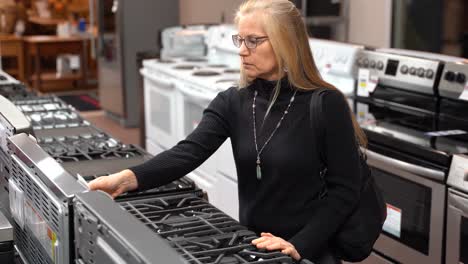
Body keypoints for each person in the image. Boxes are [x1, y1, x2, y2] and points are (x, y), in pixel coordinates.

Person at [88, 0, 366, 263]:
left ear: (286, 43)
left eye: (254, 41)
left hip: (308, 250)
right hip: (254, 247)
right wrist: (127, 179)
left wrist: (299, 244)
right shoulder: (234, 101)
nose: (243, 50)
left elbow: (345, 189)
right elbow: (187, 152)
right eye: (240, 40)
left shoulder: (326, 104)